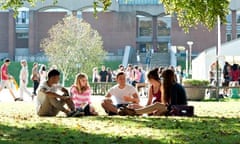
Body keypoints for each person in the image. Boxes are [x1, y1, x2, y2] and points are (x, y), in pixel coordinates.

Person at [119, 69, 187, 116]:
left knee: (157, 105)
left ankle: (134, 112)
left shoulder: (174, 87)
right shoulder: (174, 86)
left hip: (178, 110)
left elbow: (173, 104)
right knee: (156, 110)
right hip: (177, 109)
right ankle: (134, 112)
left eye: (162, 78)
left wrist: (162, 108)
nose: (162, 80)